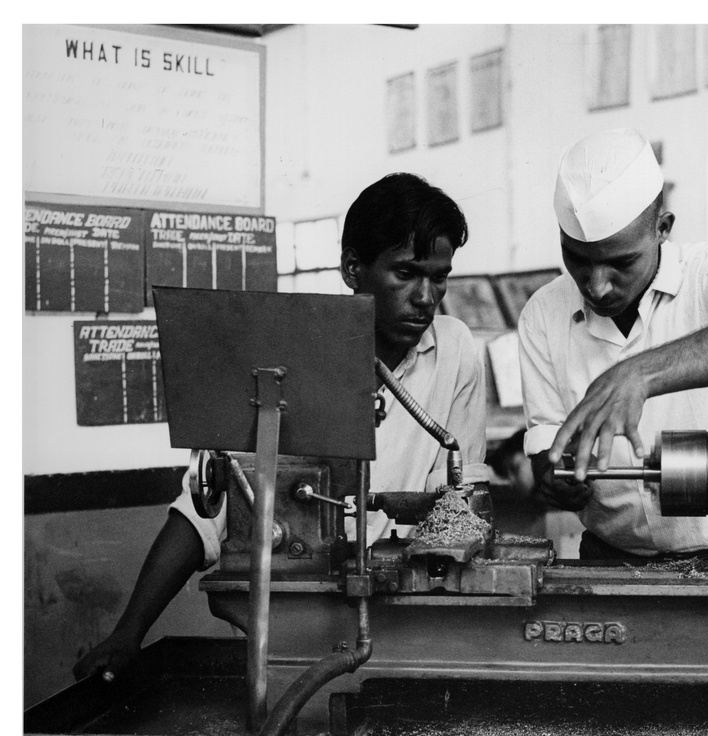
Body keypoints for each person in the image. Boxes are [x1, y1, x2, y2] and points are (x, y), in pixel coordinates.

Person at [74, 173, 488, 681]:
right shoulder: (285, 350)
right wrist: (128, 633)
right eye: (406, 273)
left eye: (439, 276)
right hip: (292, 608)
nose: (427, 297)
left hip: (400, 614)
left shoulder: (455, 349)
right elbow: (205, 510)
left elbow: (455, 498)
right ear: (353, 267)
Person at [517, 129, 708, 560]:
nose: (597, 286)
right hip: (610, 558)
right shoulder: (543, 313)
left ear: (663, 229)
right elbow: (545, 441)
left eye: (621, 262)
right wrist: (556, 478)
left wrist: (639, 374)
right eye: (577, 258)